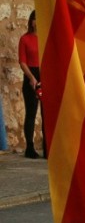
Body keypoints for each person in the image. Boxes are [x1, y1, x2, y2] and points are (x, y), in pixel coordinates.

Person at [18, 11, 45, 159]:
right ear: (31, 21)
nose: (36, 22)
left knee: (46, 114)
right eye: (34, 19)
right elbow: (22, 61)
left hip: (45, 75)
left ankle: (47, 147)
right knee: (31, 113)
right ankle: (29, 147)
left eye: (39, 19)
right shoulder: (25, 39)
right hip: (31, 76)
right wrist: (31, 77)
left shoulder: (45, 38)